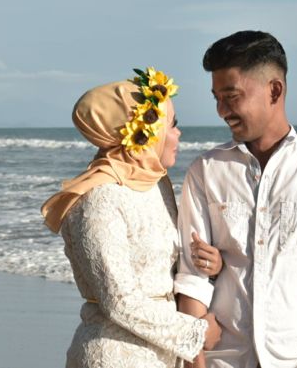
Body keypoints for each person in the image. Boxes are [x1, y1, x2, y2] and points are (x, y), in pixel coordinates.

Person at [174, 32, 297, 368]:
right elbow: (192, 277)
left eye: (232, 97)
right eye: (216, 98)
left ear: (274, 90)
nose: (221, 111)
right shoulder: (206, 171)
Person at [41, 67, 223, 368]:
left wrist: (211, 264)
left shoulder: (157, 184)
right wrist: (196, 333)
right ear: (145, 132)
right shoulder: (98, 199)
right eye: (172, 125)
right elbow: (118, 300)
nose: (178, 134)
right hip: (113, 355)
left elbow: (164, 266)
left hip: (160, 354)